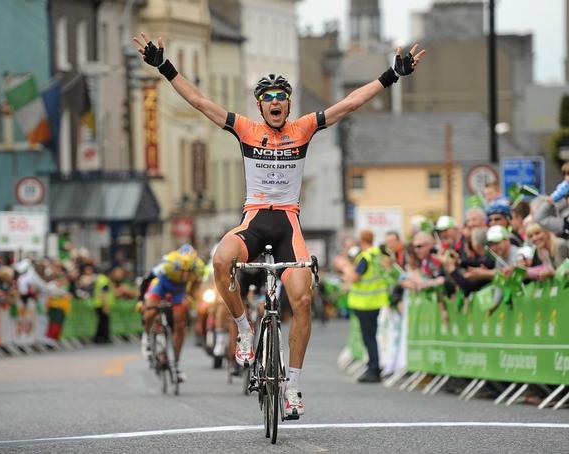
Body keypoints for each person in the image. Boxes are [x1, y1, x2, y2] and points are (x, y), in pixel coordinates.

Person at [133, 32, 425, 416]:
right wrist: (163, 66)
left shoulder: (302, 128)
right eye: (268, 98)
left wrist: (392, 74)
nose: (275, 102)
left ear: (289, 103)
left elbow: (350, 103)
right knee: (221, 261)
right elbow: (200, 101)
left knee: (303, 299)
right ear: (259, 105)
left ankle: (293, 387)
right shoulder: (245, 130)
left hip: (288, 223)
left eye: (281, 97)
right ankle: (244, 328)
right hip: (254, 220)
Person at [138, 244, 205, 381]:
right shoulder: (168, 264)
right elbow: (147, 278)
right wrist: (141, 300)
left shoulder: (199, 268)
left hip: (178, 292)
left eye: (189, 270)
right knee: (150, 312)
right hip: (161, 286)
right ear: (177, 265)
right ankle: (146, 339)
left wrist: (191, 297)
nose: (185, 274)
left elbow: (196, 285)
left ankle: (176, 363)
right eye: (182, 270)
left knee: (180, 323)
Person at [342, 230, 389, 383]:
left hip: (365, 303)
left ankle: (373, 369)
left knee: (369, 337)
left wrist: (346, 268)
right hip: (376, 301)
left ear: (361, 240)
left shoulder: (365, 257)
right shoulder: (377, 255)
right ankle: (373, 366)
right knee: (372, 336)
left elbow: (354, 278)